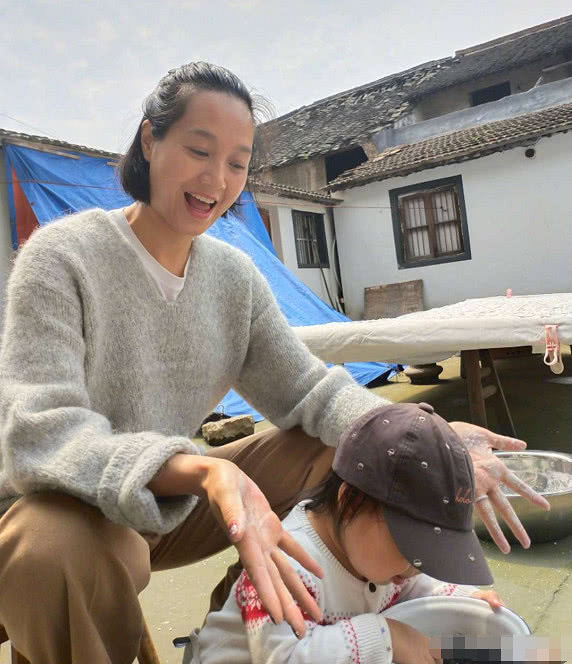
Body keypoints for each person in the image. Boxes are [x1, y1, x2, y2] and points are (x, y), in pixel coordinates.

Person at [0, 62, 547, 664]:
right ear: (150, 141)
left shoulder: (231, 277)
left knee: (350, 443)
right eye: (199, 150)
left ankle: (244, 633)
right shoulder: (62, 257)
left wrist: (436, 441)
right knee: (64, 548)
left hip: (164, 509)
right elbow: (42, 433)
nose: (216, 178)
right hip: (52, 514)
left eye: (237, 163)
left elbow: (312, 392)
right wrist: (207, 471)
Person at [187, 402, 505, 664]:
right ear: (351, 501)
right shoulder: (286, 567)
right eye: (410, 545)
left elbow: (413, 589)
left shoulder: (379, 560)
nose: (415, 566)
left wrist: (465, 600)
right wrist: (388, 635)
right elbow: (284, 657)